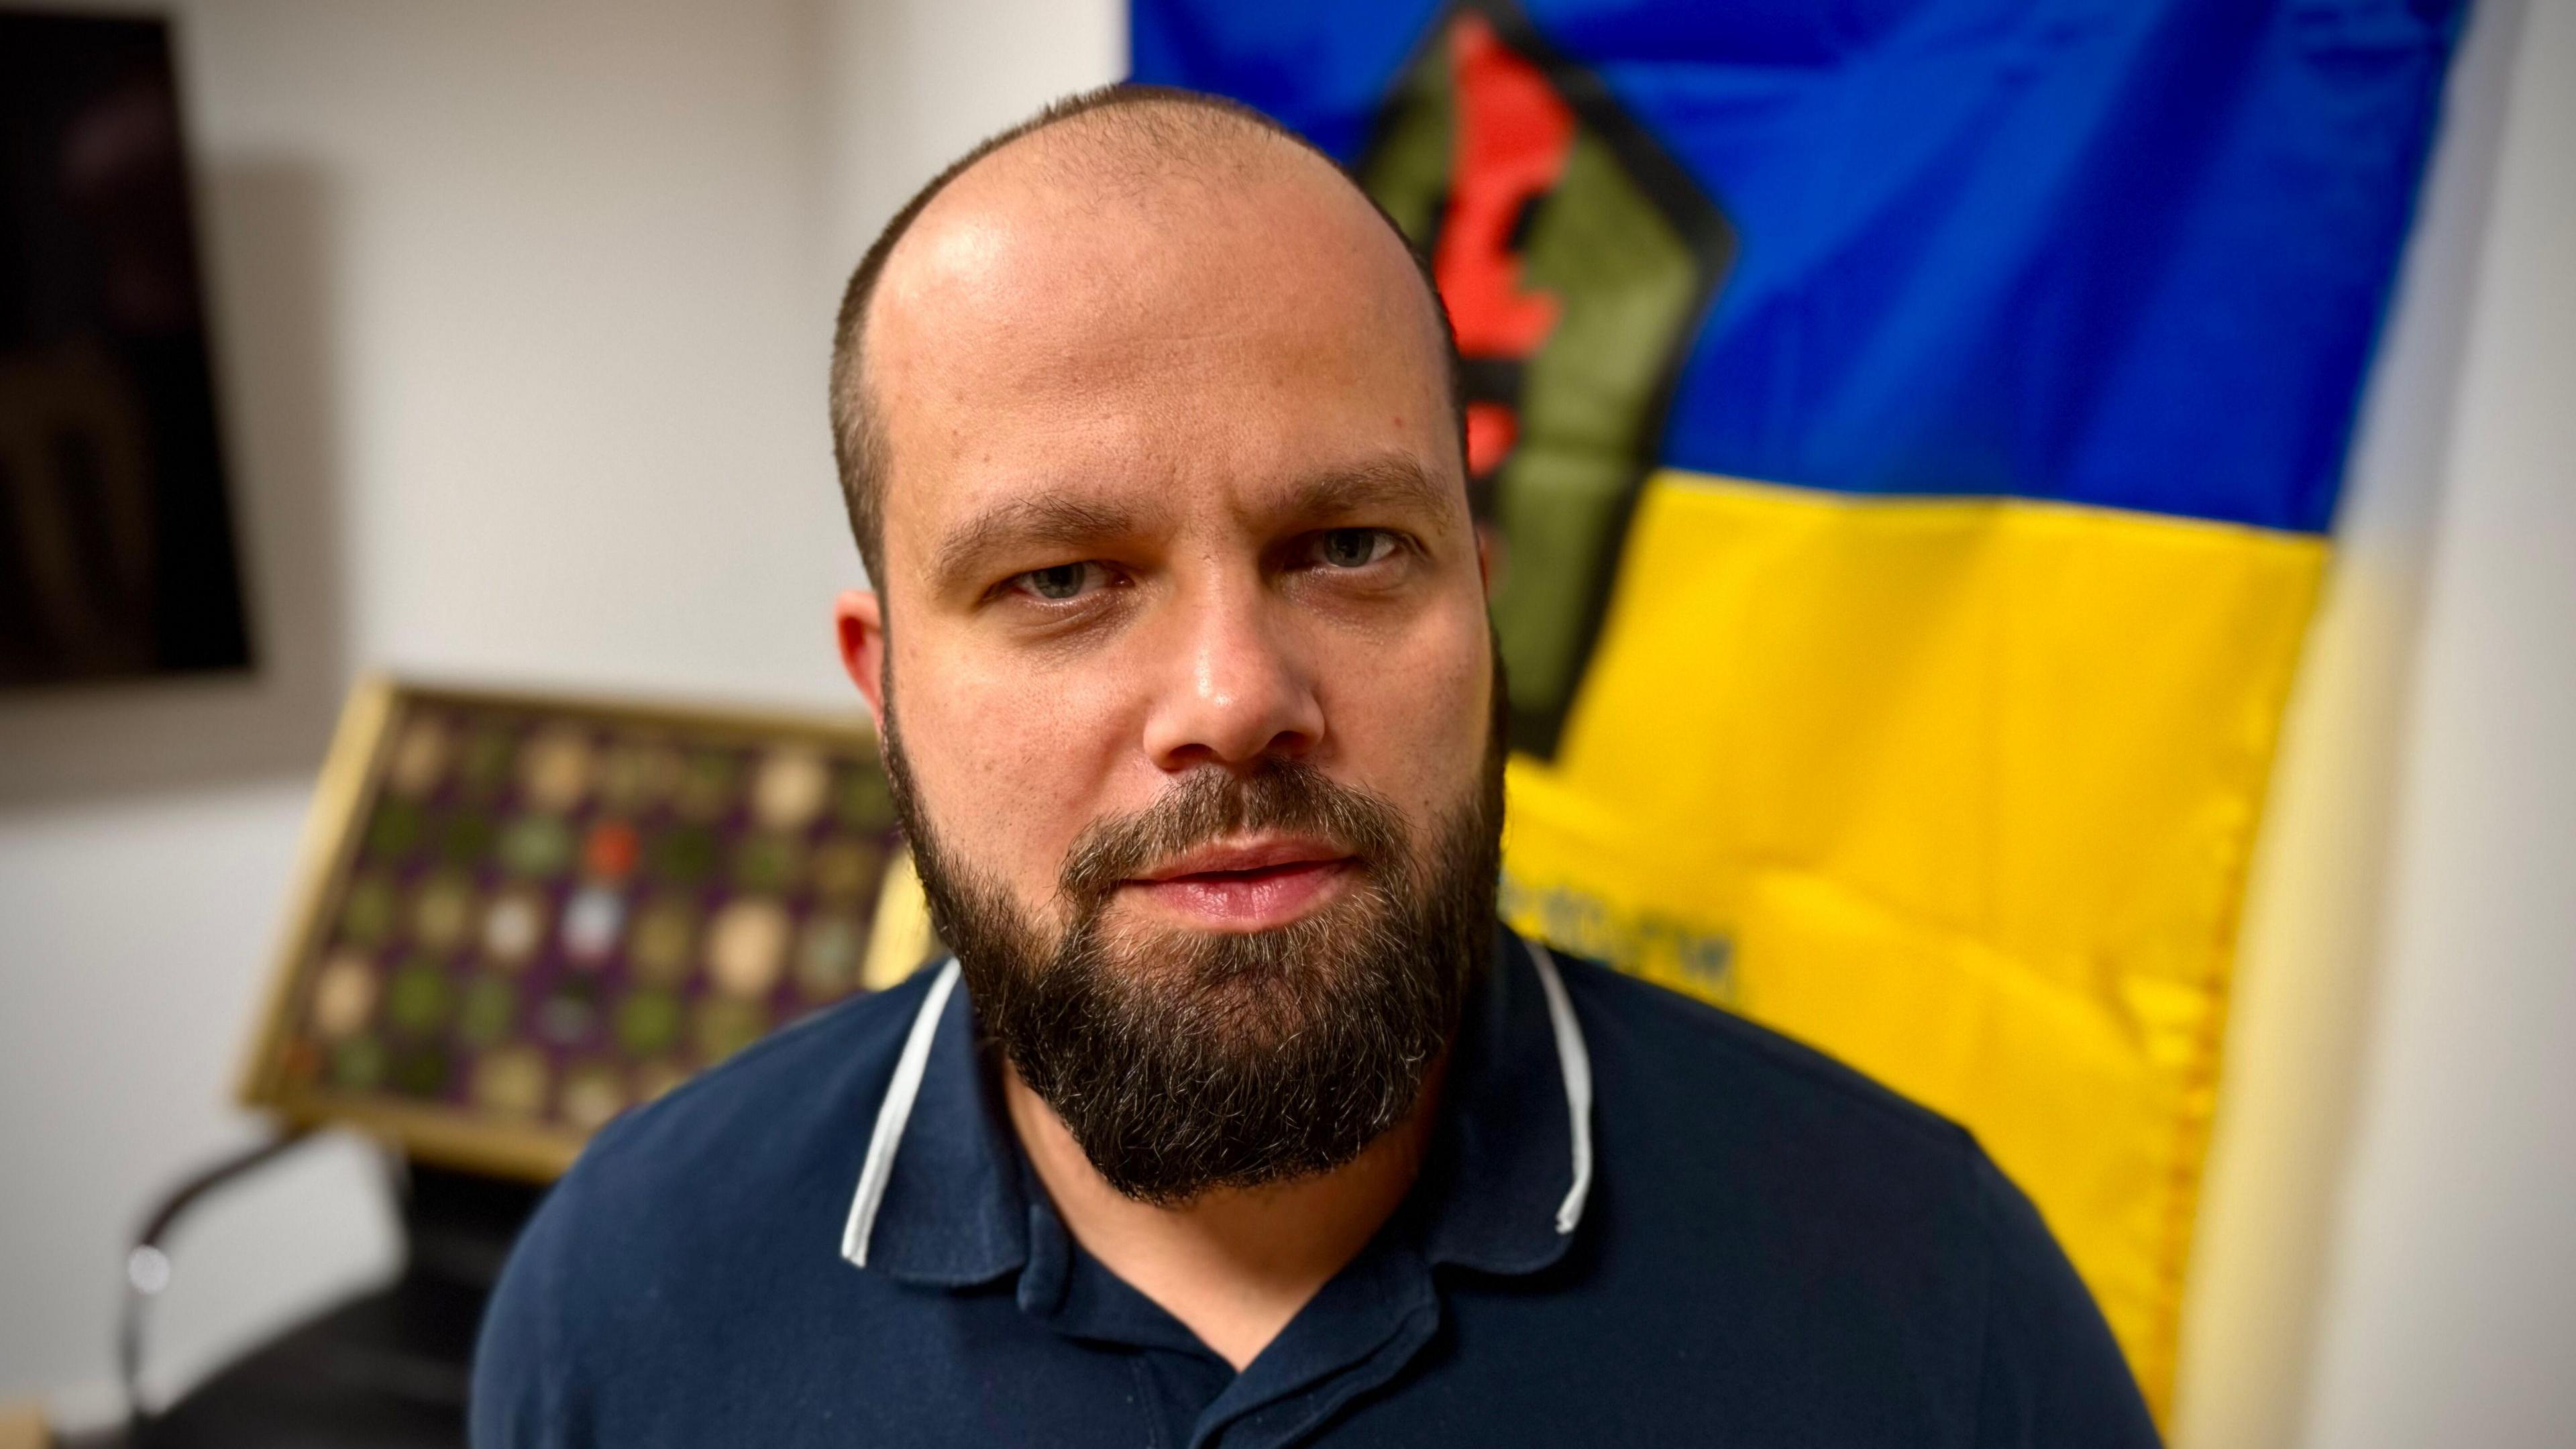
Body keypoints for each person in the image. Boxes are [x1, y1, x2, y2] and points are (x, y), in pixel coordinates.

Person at [470, 85, 2160, 1448]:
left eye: (1348, 545)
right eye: (1061, 580)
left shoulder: (1930, 1287)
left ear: (1485, 607)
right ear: (885, 681)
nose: (1233, 696)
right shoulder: (625, 1297)